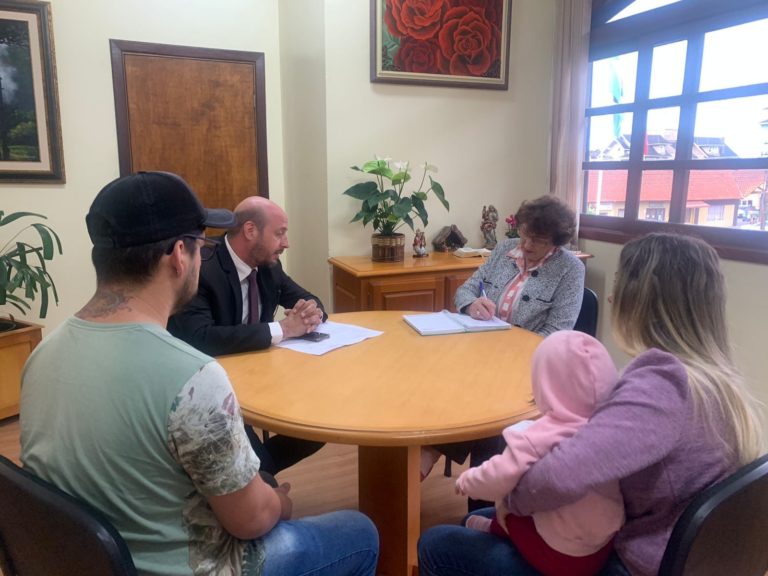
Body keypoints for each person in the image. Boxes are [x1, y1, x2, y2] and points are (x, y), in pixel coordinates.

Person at [20, 172, 379, 576]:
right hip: (195, 567)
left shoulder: (41, 356)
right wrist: (279, 500)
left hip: (82, 562)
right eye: (200, 245)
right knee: (360, 531)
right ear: (179, 255)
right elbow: (252, 521)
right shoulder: (191, 378)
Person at [418, 232, 766, 576]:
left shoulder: (662, 383)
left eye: (620, 286)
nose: (612, 297)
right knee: (470, 522)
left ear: (644, 301)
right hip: (676, 551)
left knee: (437, 544)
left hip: (630, 561)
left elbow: (556, 479)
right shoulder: (719, 383)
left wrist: (511, 500)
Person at [422, 195, 585, 506]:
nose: (524, 244)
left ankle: (440, 455)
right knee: (444, 378)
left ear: (556, 241)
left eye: (536, 240)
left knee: (490, 404)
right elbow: (466, 288)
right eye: (523, 234)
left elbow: (557, 334)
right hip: (483, 353)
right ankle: (463, 483)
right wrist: (472, 304)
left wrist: (507, 351)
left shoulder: (570, 269)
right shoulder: (501, 250)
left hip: (530, 364)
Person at [168, 196, 326, 475]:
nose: (286, 243)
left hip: (261, 375)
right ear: (250, 231)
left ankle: (255, 474)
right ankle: (256, 478)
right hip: (209, 387)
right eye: (280, 233)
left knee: (319, 425)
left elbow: (307, 298)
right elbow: (199, 337)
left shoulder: (269, 266)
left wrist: (312, 311)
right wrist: (283, 329)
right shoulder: (203, 267)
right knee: (256, 462)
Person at [456, 330, 623, 576]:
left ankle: (497, 528)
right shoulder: (616, 428)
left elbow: (497, 478)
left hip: (560, 556)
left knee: (508, 508)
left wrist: (467, 481)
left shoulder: (538, 436)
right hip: (602, 545)